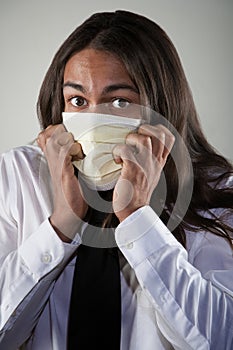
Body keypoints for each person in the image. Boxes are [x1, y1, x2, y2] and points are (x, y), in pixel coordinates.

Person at [0, 9, 232, 350]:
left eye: (120, 101)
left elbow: (222, 338)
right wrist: (61, 225)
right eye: (78, 100)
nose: (94, 121)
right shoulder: (19, 174)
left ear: (159, 107)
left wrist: (138, 218)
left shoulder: (216, 189)